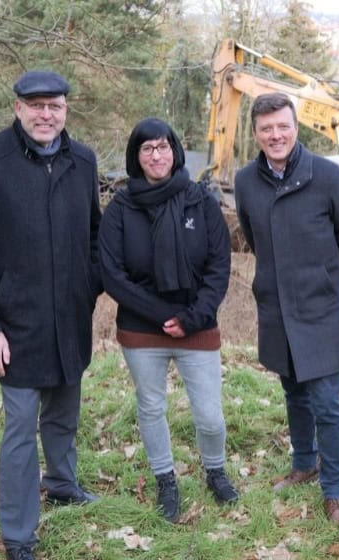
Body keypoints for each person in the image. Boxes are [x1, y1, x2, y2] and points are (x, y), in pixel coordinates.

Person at [0, 70, 102, 560]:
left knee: (63, 413)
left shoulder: (82, 161)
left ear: (66, 110)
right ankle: (18, 535)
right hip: (13, 326)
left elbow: (94, 238)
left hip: (70, 320)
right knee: (21, 428)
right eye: (35, 105)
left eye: (54, 105)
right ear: (17, 108)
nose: (45, 114)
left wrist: (89, 291)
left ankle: (61, 483)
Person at [99, 118, 238, 523]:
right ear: (136, 156)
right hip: (143, 328)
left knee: (210, 415)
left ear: (175, 151)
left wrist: (192, 317)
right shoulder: (121, 209)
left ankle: (215, 470)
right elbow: (113, 275)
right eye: (147, 149)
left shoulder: (201, 201)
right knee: (151, 407)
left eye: (163, 147)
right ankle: (166, 479)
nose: (156, 155)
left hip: (198, 323)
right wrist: (164, 316)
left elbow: (219, 266)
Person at [234, 93, 339, 527]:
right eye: (266, 129)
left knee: (327, 401)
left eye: (283, 126)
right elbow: (253, 236)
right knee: (293, 393)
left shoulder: (327, 176)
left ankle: (335, 490)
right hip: (275, 308)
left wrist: (321, 276)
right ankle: (304, 463)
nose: (276, 135)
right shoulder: (245, 180)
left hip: (320, 308)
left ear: (296, 127)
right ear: (256, 133)